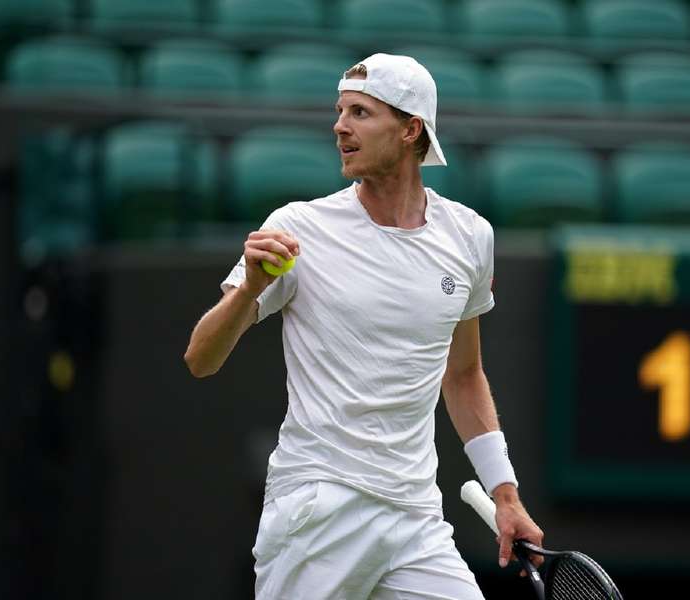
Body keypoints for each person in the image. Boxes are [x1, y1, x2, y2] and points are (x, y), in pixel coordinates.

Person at [184, 53, 544, 599]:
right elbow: (200, 359)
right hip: (319, 508)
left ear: (410, 130)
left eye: (360, 112)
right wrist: (251, 289)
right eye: (339, 111)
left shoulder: (470, 238)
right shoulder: (296, 228)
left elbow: (464, 374)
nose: (339, 126)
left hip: (416, 518)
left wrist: (506, 492)